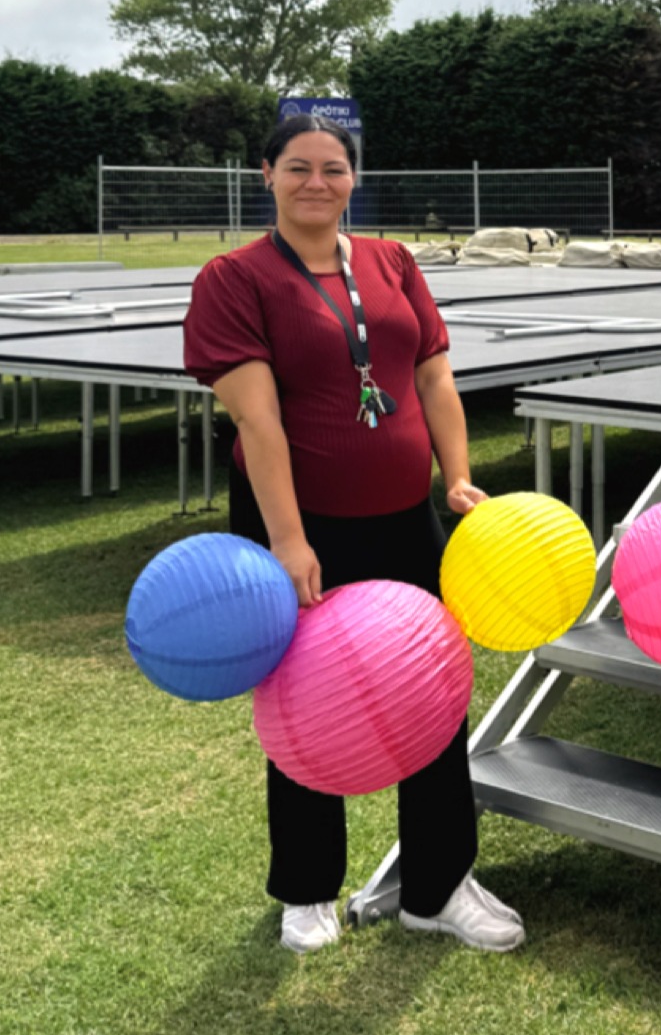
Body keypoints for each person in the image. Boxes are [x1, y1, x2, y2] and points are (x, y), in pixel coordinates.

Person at [182, 113, 524, 956]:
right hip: (305, 528)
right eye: (297, 168)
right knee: (305, 702)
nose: (316, 184)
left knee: (433, 694)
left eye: (333, 169)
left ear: (352, 178)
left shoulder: (393, 261)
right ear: (265, 175)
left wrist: (455, 476)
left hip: (406, 520)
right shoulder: (233, 279)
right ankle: (307, 889)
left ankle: (437, 887)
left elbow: (434, 377)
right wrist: (289, 542)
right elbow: (259, 426)